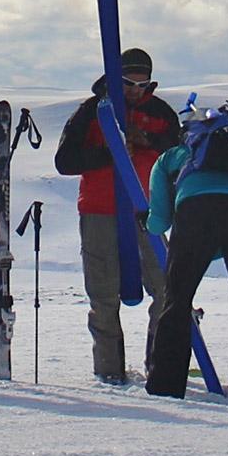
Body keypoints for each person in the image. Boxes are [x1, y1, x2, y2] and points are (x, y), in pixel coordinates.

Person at [141, 104, 228, 399]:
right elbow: (227, 226)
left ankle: (166, 388)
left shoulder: (173, 156)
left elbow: (159, 223)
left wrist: (147, 221)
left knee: (177, 302)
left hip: (197, 210)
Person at [55, 47, 180, 382]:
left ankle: (160, 367)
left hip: (147, 210)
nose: (136, 91)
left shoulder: (161, 112)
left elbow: (178, 152)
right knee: (104, 296)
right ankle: (109, 372)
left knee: (167, 289)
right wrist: (109, 154)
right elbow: (65, 161)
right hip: (100, 210)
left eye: (144, 85)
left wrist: (147, 140)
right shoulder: (93, 111)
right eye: (128, 83)